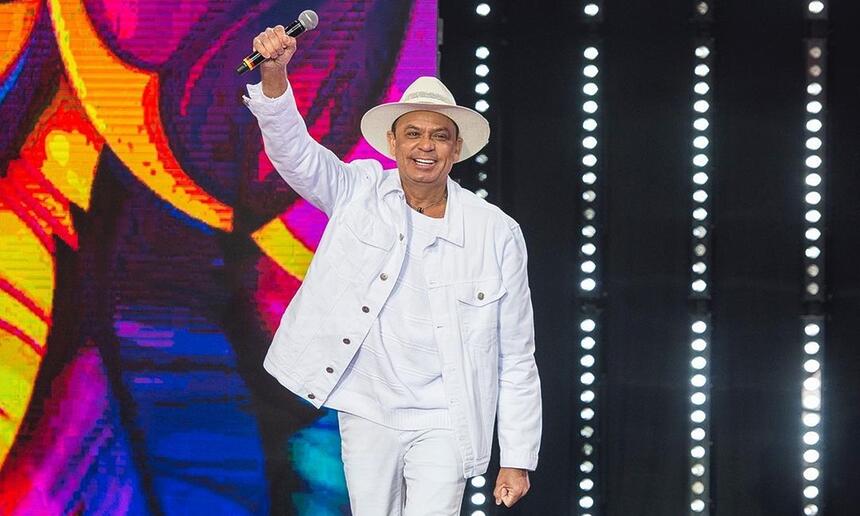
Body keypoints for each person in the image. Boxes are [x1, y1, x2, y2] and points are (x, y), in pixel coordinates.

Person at [244, 25, 542, 515]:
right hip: (368, 404)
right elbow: (295, 155)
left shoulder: (496, 232)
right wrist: (274, 76)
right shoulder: (357, 191)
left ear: (456, 148)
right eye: (414, 133)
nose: (425, 146)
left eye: (439, 136)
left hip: (449, 414)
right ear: (393, 141)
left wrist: (517, 456)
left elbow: (516, 352)